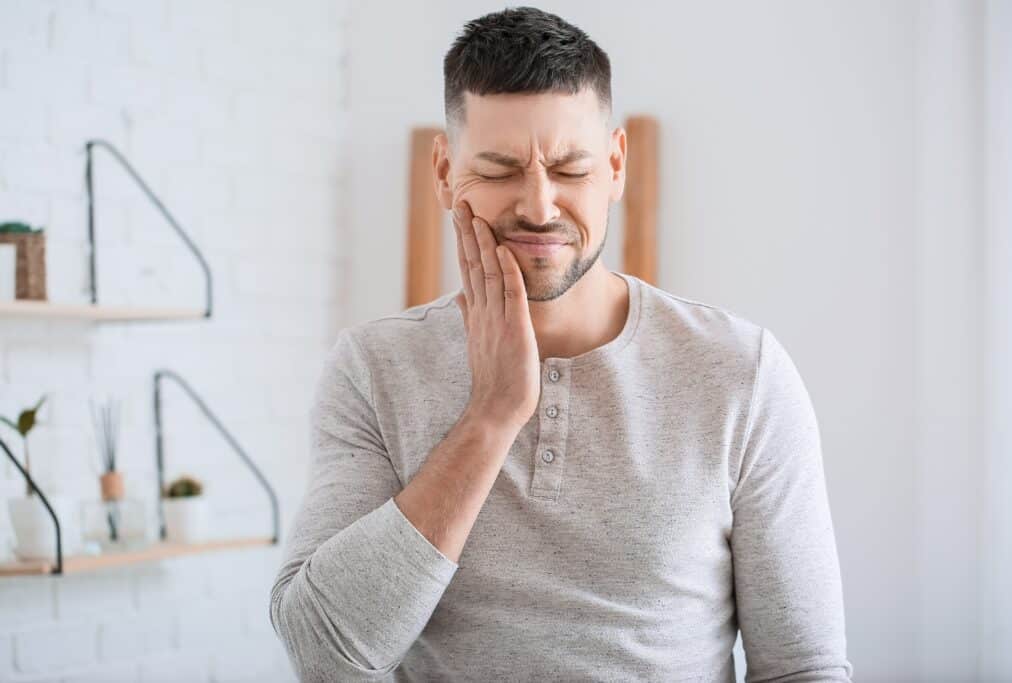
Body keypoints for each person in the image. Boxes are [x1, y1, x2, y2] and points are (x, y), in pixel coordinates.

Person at [269, 6, 853, 682]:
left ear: (615, 165)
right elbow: (324, 653)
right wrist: (492, 412)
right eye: (498, 169)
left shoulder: (741, 372)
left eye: (571, 169)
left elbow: (802, 666)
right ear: (442, 171)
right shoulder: (373, 369)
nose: (540, 206)